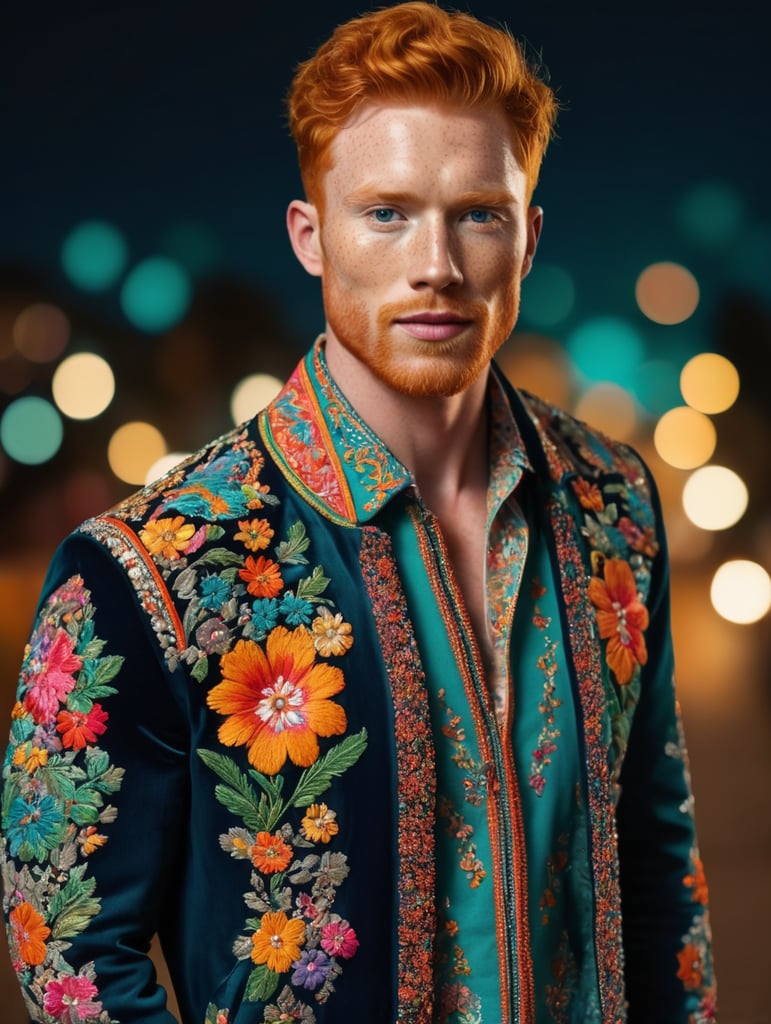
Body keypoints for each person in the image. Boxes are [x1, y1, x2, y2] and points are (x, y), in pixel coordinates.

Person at [0, 3, 717, 1022]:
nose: (438, 263)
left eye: (478, 212)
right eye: (386, 212)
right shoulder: (151, 563)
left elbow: (657, 865)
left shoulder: (613, 505)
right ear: (311, 235)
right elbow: (67, 951)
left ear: (529, 235)